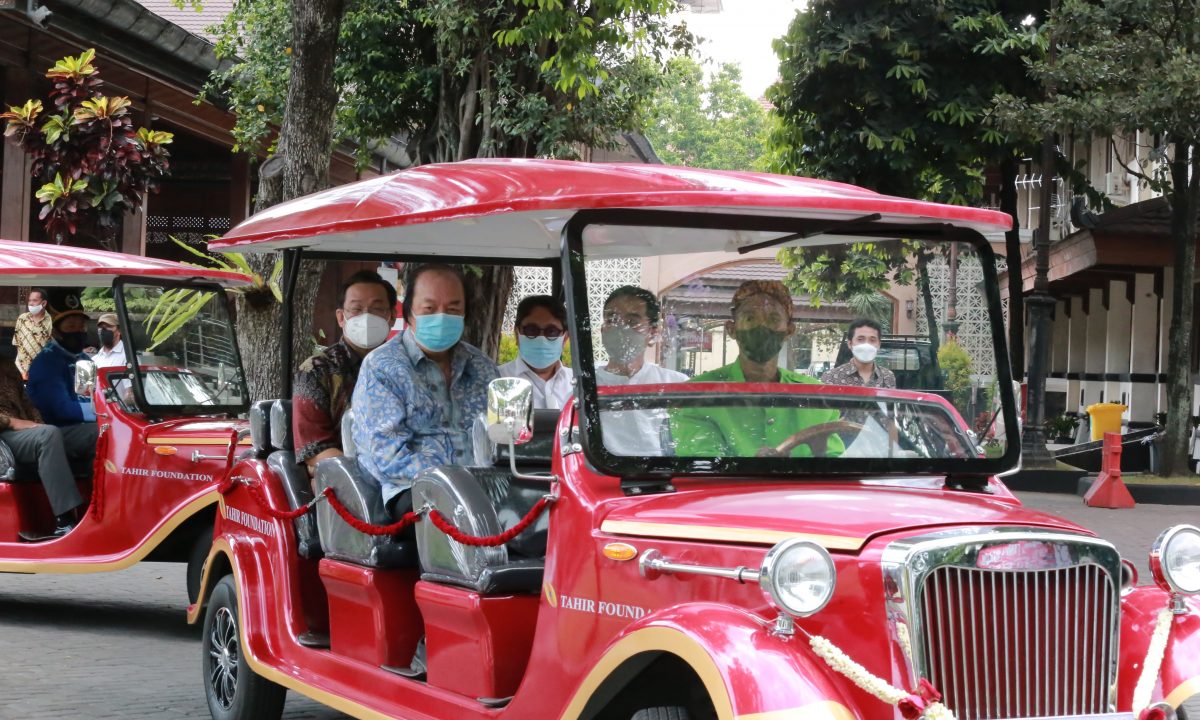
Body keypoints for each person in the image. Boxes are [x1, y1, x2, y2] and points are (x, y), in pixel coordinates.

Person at [352, 264, 497, 521]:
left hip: (486, 486)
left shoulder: (482, 367)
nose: (441, 317)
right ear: (409, 313)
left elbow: (503, 438)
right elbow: (386, 456)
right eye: (429, 309)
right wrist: (455, 483)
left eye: (453, 310)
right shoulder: (383, 367)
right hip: (414, 490)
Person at [672, 280, 842, 458]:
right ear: (732, 329)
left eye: (773, 320)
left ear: (789, 331)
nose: (762, 327)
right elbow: (702, 464)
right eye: (750, 318)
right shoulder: (695, 398)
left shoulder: (818, 398)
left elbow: (835, 463)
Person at [293, 271, 398, 470]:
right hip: (344, 475)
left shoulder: (407, 368)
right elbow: (314, 449)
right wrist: (366, 475)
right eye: (357, 309)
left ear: (391, 317)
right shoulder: (316, 370)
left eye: (377, 309)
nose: (366, 317)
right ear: (341, 317)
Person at [0, 343, 92, 539]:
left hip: (24, 429)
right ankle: (65, 521)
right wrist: (11, 422)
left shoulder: (7, 365)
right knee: (47, 435)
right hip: (4, 435)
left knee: (94, 433)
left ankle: (99, 507)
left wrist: (37, 423)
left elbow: (27, 402)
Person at [594, 286, 686, 456]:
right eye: (612, 320)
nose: (620, 328)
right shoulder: (585, 387)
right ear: (602, 330)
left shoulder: (677, 386)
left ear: (653, 333)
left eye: (632, 321)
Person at [26, 308, 99, 428]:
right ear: (56, 332)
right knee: (100, 431)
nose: (78, 331)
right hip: (54, 428)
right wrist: (102, 411)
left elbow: (89, 394)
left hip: (82, 423)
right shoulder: (46, 363)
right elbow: (59, 408)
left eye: (82, 326)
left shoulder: (83, 359)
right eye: (71, 326)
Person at [499, 295, 573, 410]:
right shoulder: (496, 379)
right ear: (517, 335)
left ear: (565, 338)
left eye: (551, 331)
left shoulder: (578, 384)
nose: (541, 339)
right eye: (531, 330)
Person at [821, 318, 896, 389]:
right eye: (860, 339)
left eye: (872, 340)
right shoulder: (831, 377)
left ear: (879, 345)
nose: (866, 345)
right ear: (850, 344)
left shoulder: (887, 376)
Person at [13, 288, 52, 379]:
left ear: (44, 303)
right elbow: (17, 342)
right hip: (21, 370)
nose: (30, 303)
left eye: (34, 300)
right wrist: (23, 368)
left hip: (42, 370)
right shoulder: (22, 318)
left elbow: (54, 347)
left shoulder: (51, 321)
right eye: (29, 300)